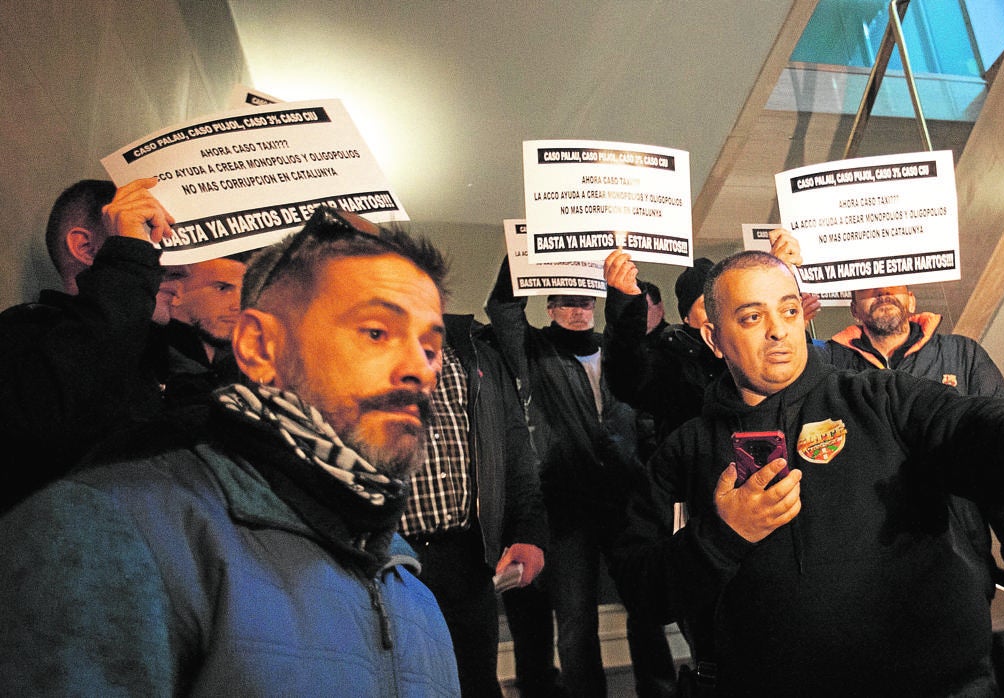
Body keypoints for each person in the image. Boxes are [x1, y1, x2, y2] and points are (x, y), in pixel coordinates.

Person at [608, 250, 1004, 697]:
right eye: (752, 317)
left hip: (934, 686)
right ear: (714, 338)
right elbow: (642, 587)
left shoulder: (879, 396)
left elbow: (966, 424)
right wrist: (722, 538)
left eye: (789, 311)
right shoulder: (687, 450)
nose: (777, 330)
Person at [0, 206, 461, 696]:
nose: (420, 368)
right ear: (259, 348)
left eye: (431, 349)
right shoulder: (104, 530)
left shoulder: (404, 577)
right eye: (376, 332)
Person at [822, 285, 1004, 617]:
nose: (882, 291)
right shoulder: (827, 366)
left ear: (912, 300)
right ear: (853, 308)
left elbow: (1000, 457)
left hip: (959, 575)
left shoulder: (963, 357)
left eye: (893, 284)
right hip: (865, 581)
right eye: (867, 288)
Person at [486, 258, 676, 698]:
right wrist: (522, 253)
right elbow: (504, 311)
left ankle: (660, 690)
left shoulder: (615, 350)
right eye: (567, 303)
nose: (578, 310)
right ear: (549, 307)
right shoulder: (534, 350)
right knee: (576, 620)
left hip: (625, 499)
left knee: (646, 605)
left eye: (585, 301)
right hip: (567, 506)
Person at [0, 177, 185, 512]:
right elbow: (56, 417)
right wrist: (129, 260)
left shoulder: (156, 353)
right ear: (84, 248)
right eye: (150, 246)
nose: (175, 278)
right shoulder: (25, 336)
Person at [399, 311, 550, 698]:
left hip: (468, 554)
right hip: (396, 558)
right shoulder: (360, 354)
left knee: (477, 682)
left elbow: (515, 450)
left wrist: (528, 533)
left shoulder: (474, 355)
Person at [603, 255, 725, 464]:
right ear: (686, 316)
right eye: (707, 305)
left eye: (724, 302)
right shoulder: (671, 361)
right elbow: (627, 379)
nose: (717, 312)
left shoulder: (748, 354)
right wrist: (626, 304)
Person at [162, 252, 251, 406]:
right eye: (222, 288)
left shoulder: (245, 368)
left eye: (242, 291)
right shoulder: (143, 368)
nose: (238, 305)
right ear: (176, 293)